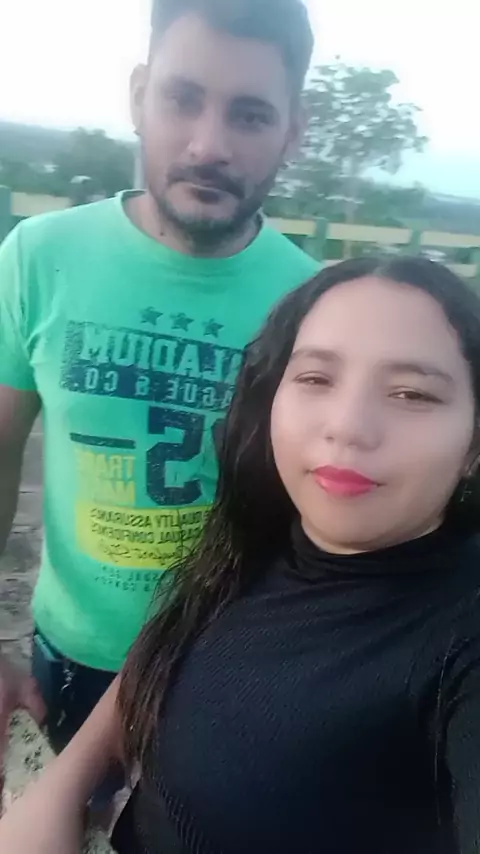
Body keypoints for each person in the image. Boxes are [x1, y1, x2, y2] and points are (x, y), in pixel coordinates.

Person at [2, 254, 480, 854]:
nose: (348, 426)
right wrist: (63, 787)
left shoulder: (461, 634)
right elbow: (171, 649)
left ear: (474, 442)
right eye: (316, 379)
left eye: (411, 393)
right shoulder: (263, 538)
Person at [0, 0, 317, 793]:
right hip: (67, 661)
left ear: (293, 131)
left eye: (250, 114)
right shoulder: (38, 258)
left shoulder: (315, 304)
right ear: (140, 95)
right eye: (183, 98)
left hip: (231, 670)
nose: (209, 145)